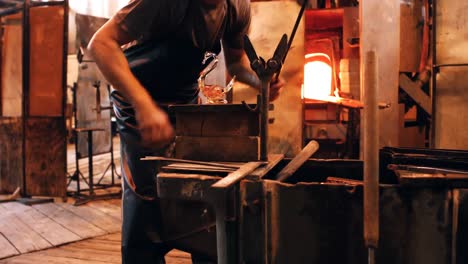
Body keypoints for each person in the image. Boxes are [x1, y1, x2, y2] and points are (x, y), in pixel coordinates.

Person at [88, 0, 285, 263]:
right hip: (137, 100)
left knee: (199, 193)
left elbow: (236, 64)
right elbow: (100, 44)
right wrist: (144, 106)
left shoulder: (237, 7)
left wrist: (260, 81)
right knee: (147, 197)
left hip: (184, 100)